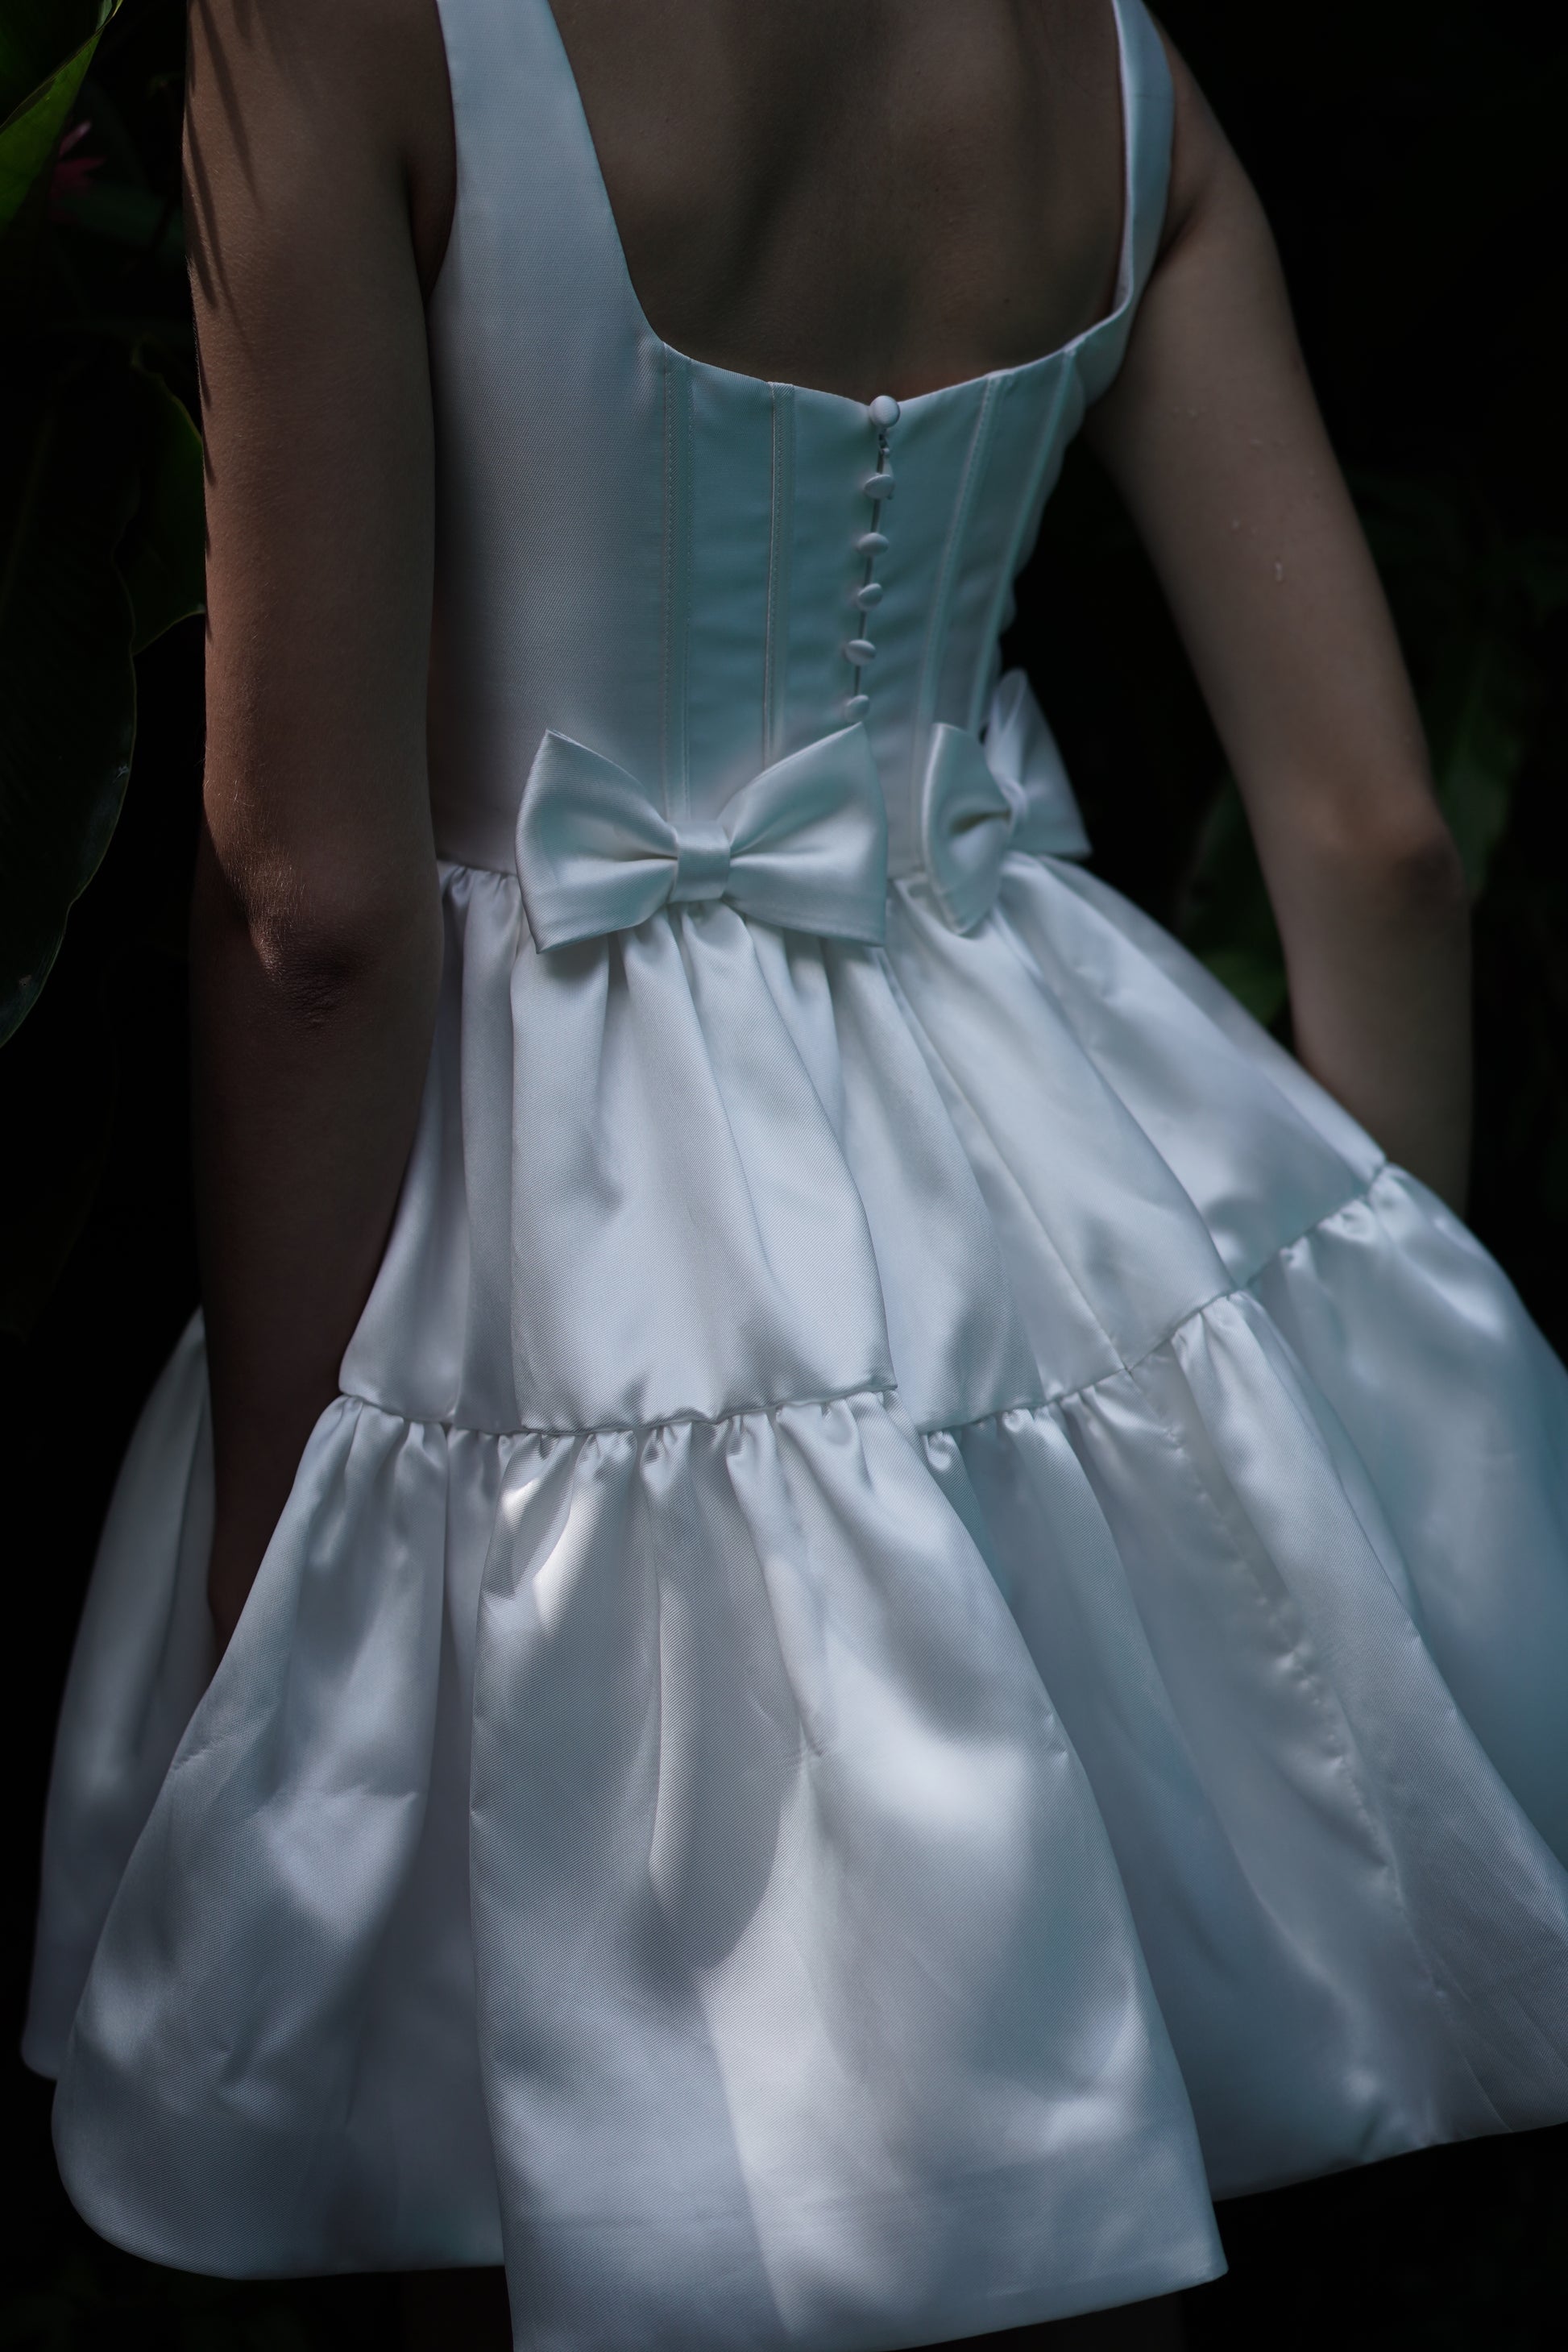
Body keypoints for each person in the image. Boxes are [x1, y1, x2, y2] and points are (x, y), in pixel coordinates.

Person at [24, 1, 1568, 2347]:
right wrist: (1331, 1482)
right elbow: (1372, 842)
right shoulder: (1114, 66)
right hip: (1036, 1160)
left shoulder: (328, 36)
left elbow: (317, 912)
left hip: (534, 1237)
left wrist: (282, 1553)